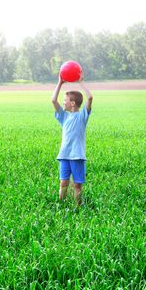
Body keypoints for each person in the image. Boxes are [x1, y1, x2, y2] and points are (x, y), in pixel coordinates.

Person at [51, 73, 93, 206]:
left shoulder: (82, 116)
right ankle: (61, 205)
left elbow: (90, 97)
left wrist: (80, 83)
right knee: (63, 183)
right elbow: (53, 100)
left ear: (73, 103)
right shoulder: (64, 117)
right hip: (64, 155)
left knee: (77, 185)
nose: (63, 102)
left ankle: (78, 207)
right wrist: (60, 83)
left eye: (65, 100)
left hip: (78, 156)